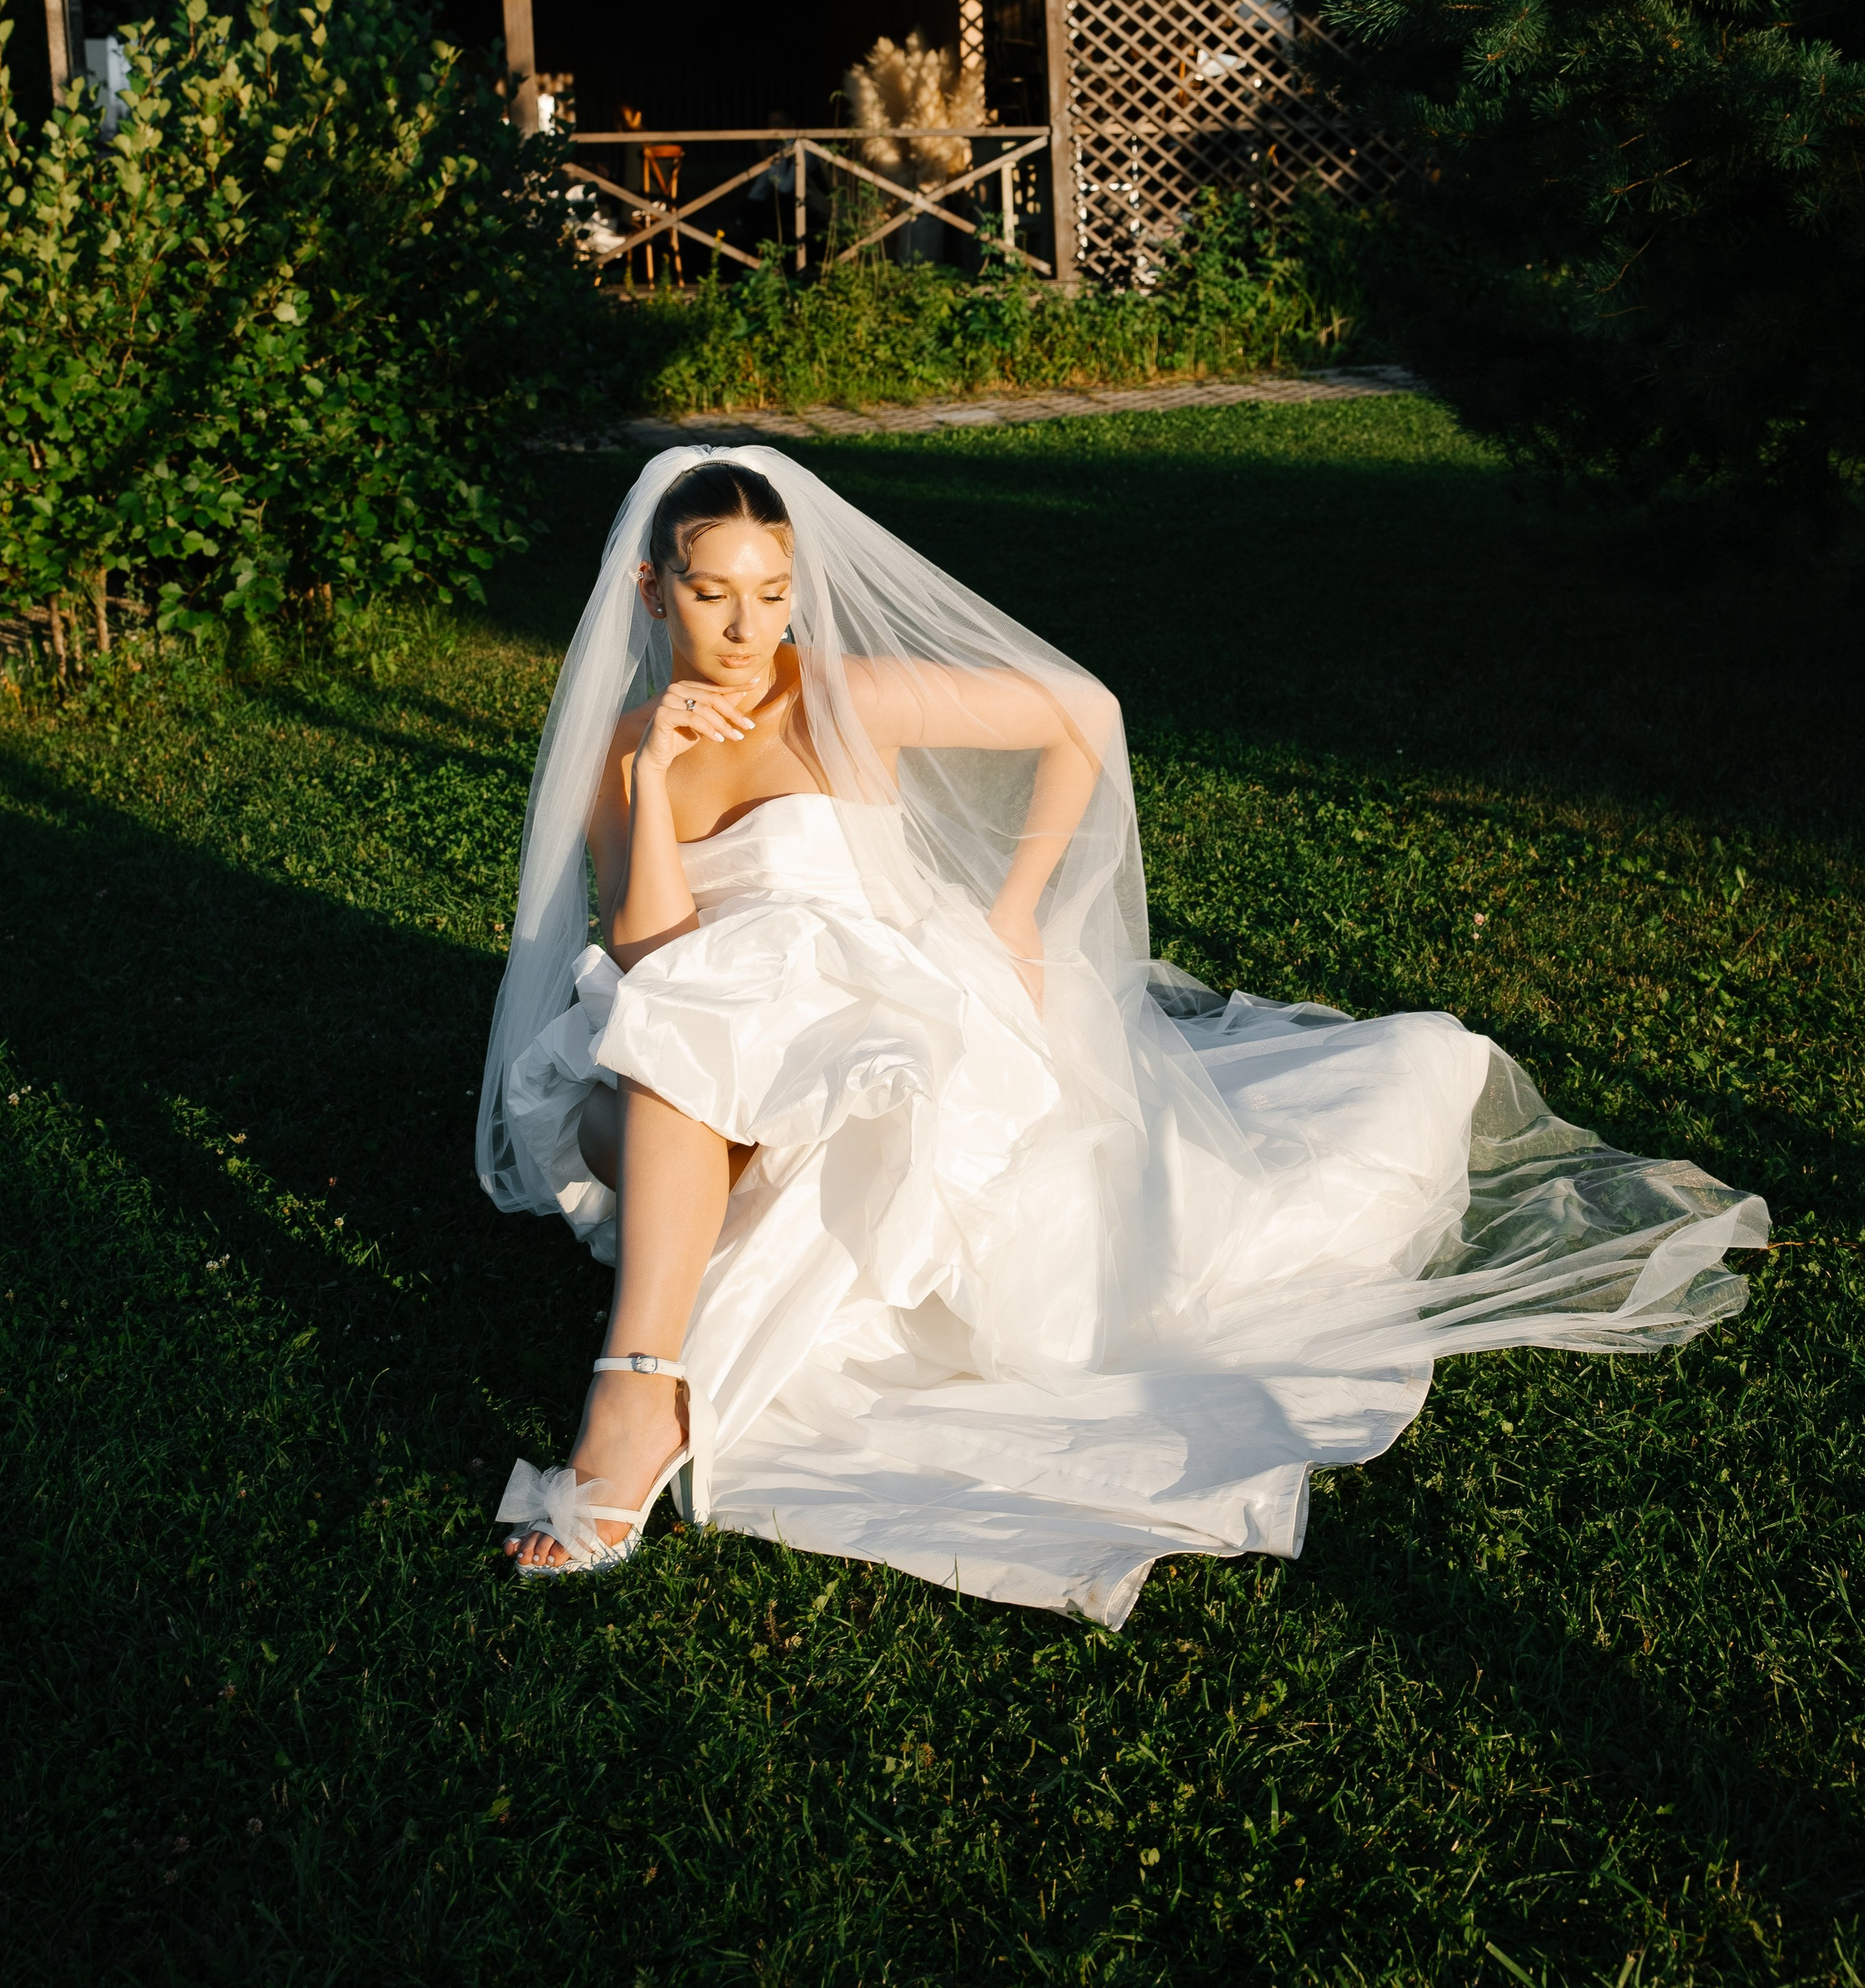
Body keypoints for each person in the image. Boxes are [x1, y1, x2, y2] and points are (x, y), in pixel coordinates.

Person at [479, 449, 1766, 1625]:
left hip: (869, 1016)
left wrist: (1022, 912)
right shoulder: (627, 744)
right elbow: (653, 960)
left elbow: (1080, 712)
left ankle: (631, 1401)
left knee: (676, 1091)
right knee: (661, 1073)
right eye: (716, 597)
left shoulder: (840, 693)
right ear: (655, 594)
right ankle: (647, 1376)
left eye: (776, 593)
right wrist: (651, 792)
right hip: (705, 1022)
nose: (753, 630)